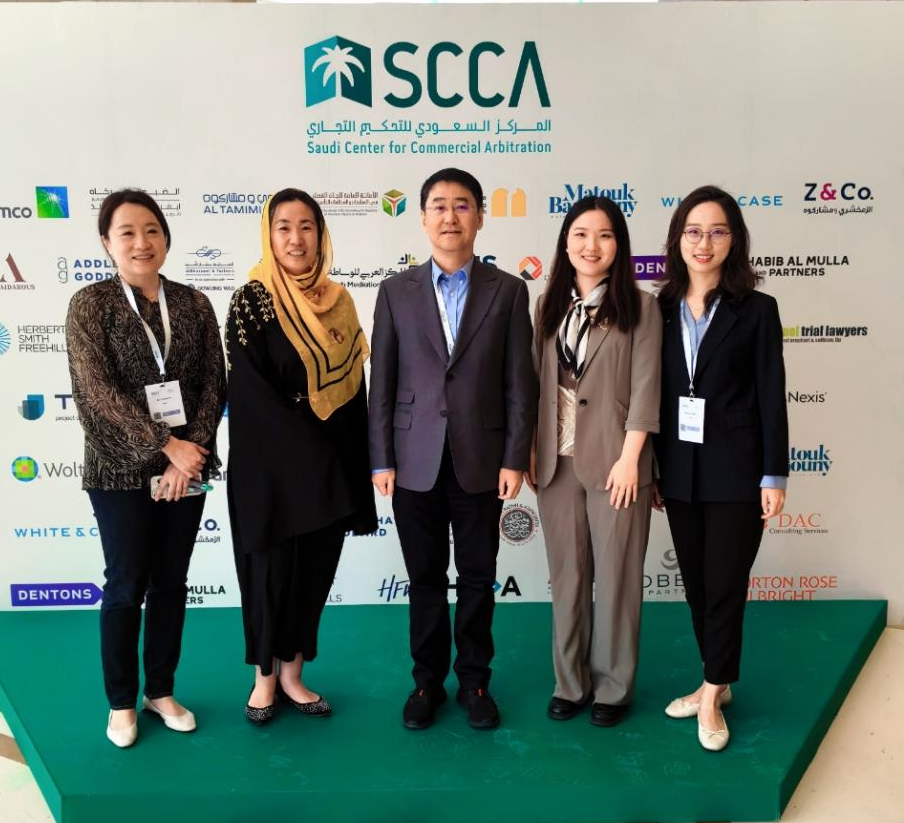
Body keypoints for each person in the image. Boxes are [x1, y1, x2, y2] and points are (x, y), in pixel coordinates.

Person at [369, 168, 537, 731]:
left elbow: (520, 383)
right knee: (424, 579)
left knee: (477, 576)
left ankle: (474, 681)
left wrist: (515, 456)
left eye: (461, 205)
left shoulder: (508, 291)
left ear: (479, 217)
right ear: (422, 219)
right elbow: (381, 382)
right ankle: (426, 683)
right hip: (411, 460)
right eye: (438, 206)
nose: (449, 216)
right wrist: (381, 457)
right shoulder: (395, 292)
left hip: (481, 459)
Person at [66, 189, 226, 748]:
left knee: (171, 582)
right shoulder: (91, 304)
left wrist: (189, 451)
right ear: (107, 242)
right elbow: (96, 393)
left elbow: (213, 384)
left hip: (189, 465)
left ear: (166, 237)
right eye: (128, 232)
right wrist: (165, 445)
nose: (142, 242)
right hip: (117, 470)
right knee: (125, 583)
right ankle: (120, 703)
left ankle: (160, 691)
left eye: (152, 230)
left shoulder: (193, 303)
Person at [226, 188, 376, 725]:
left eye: (306, 226)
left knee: (313, 574)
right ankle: (264, 678)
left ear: (321, 234)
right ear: (269, 235)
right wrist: (314, 454)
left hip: (329, 470)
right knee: (269, 574)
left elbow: (353, 391)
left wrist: (354, 468)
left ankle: (293, 674)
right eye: (284, 226)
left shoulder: (340, 301)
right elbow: (250, 393)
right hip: (270, 470)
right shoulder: (252, 300)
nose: (296, 238)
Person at [653, 185, 788, 752]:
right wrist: (653, 468)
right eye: (693, 231)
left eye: (716, 231)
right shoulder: (657, 309)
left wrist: (774, 475)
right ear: (677, 239)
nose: (703, 242)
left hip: (737, 470)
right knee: (698, 585)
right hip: (678, 470)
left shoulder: (757, 309)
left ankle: (711, 695)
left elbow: (771, 395)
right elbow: (650, 396)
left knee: (726, 585)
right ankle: (718, 678)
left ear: (734, 240)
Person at [526, 195, 661, 727]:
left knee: (618, 579)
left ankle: (613, 687)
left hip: (617, 464)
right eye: (581, 234)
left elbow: (647, 388)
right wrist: (530, 450)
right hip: (555, 464)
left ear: (618, 245)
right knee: (568, 577)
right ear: (566, 243)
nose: (591, 245)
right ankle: (570, 682)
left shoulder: (641, 306)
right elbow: (535, 384)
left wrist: (631, 459)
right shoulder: (547, 305)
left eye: (604, 235)